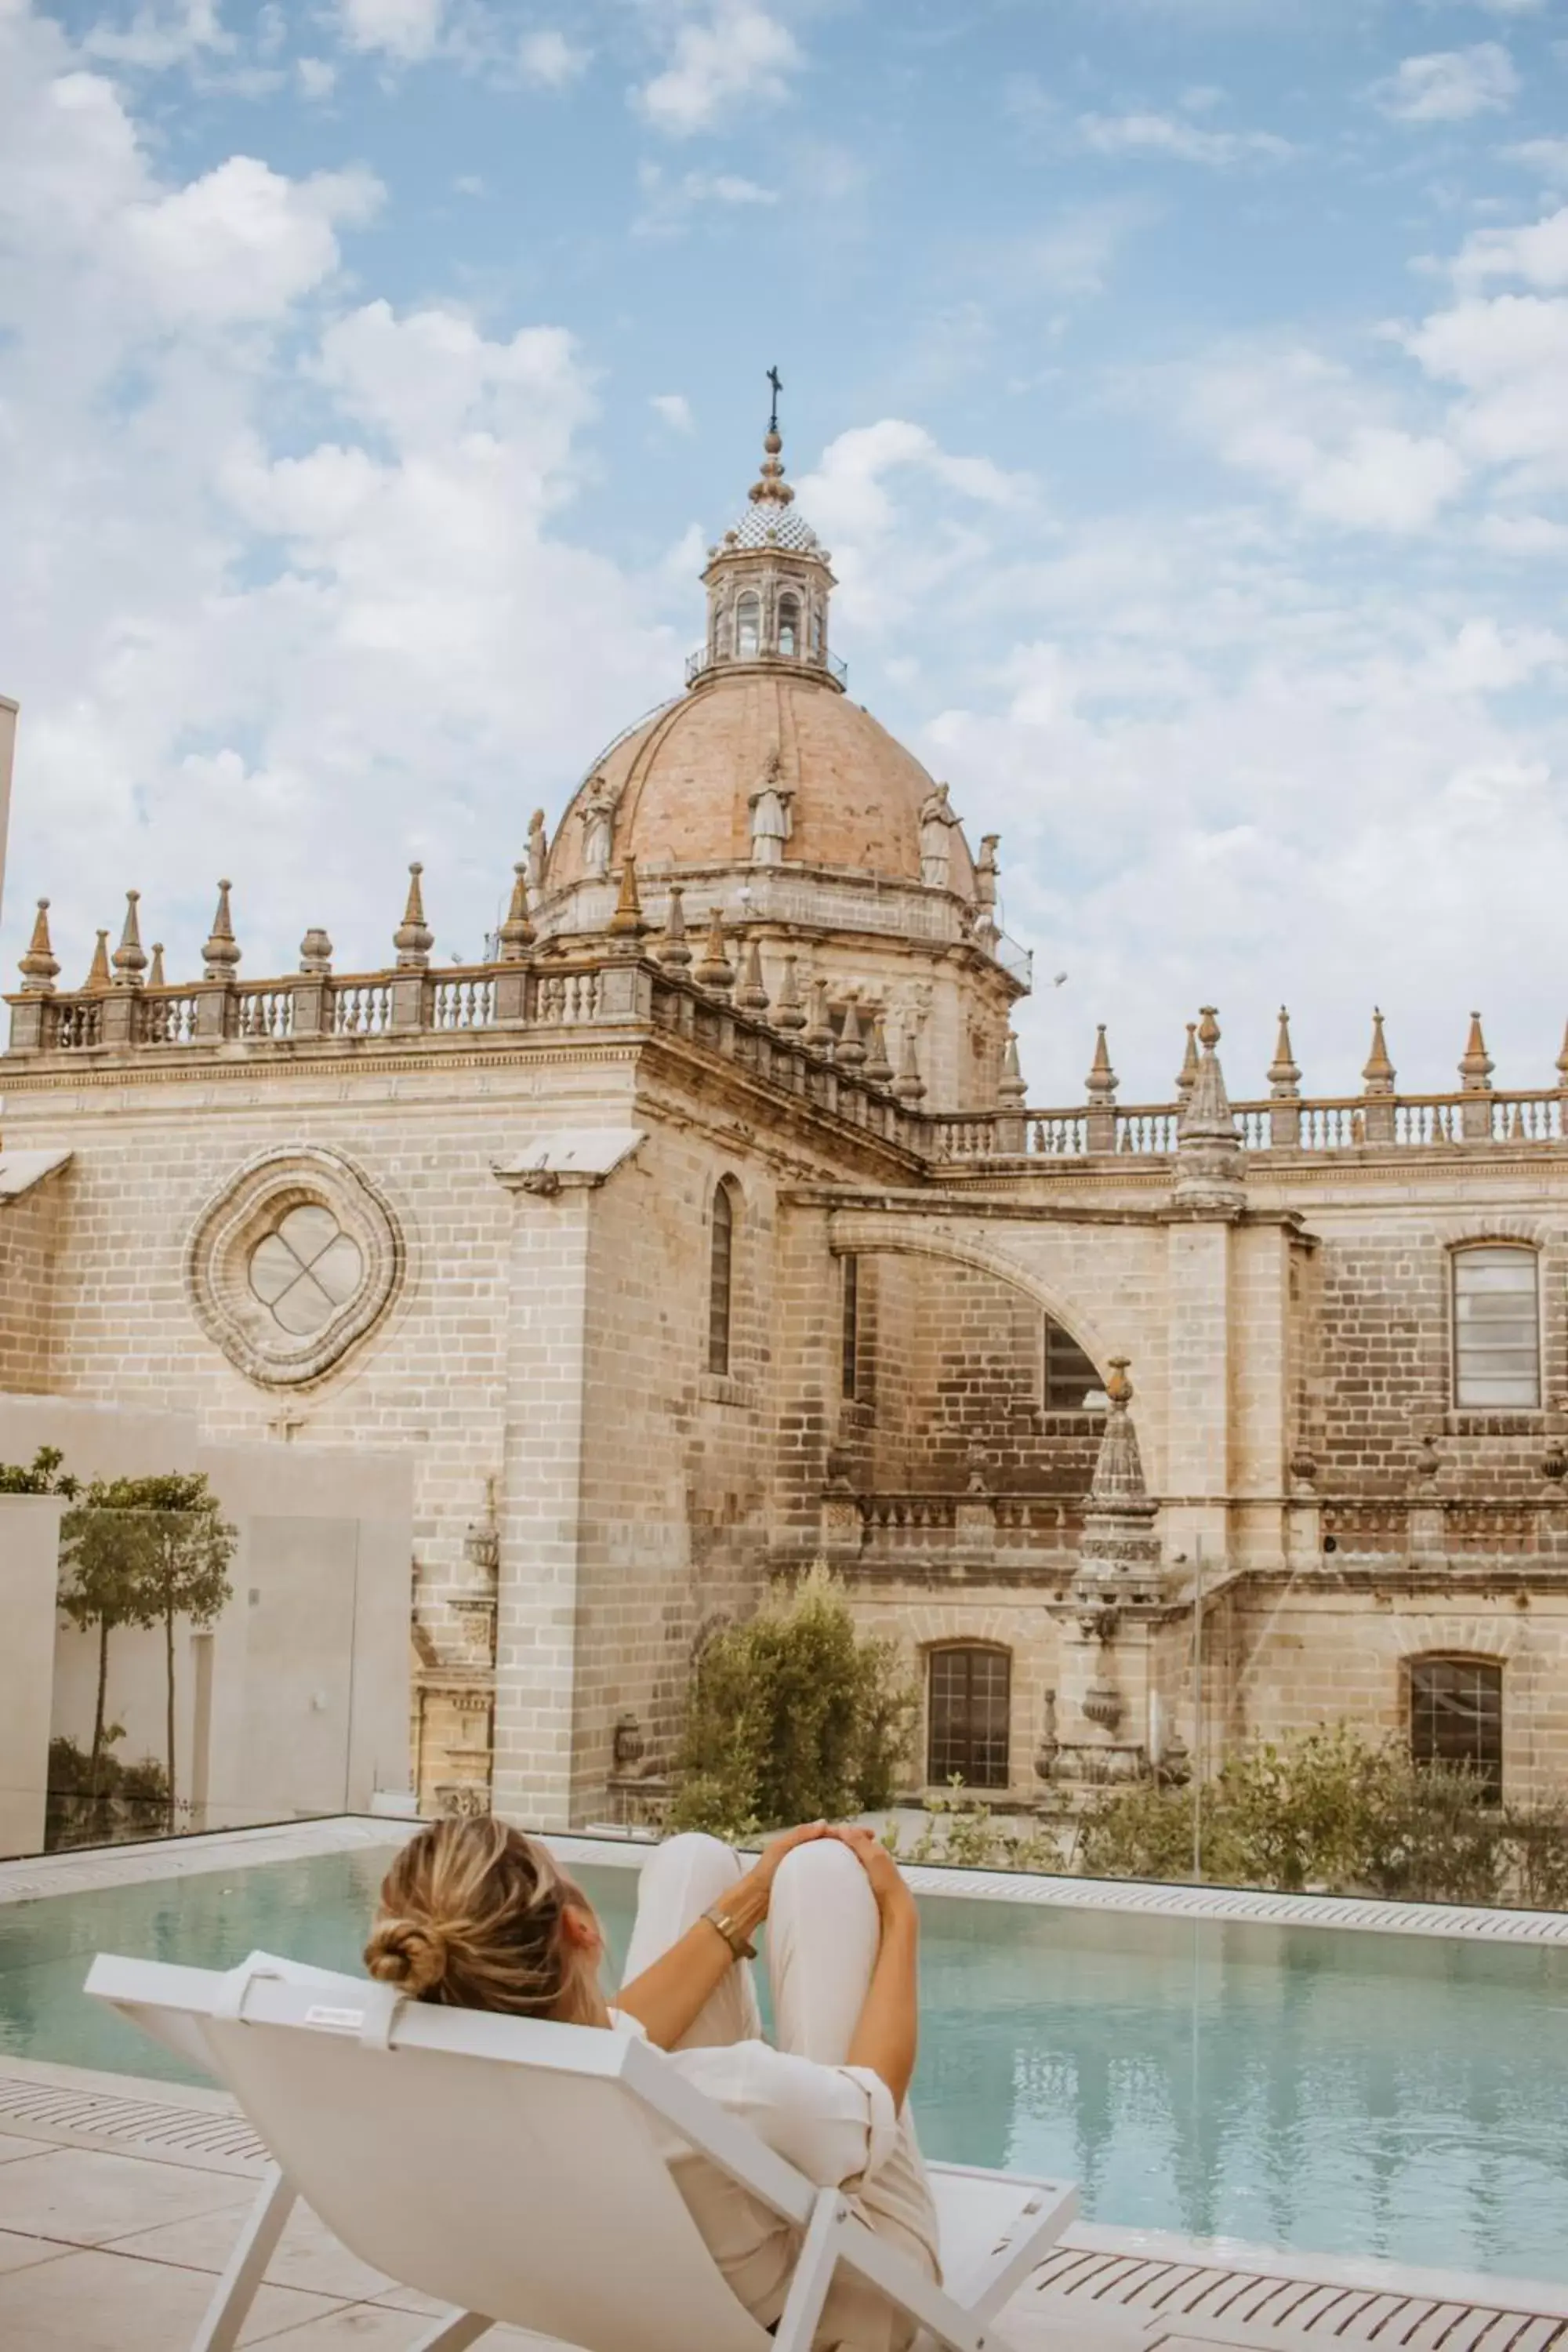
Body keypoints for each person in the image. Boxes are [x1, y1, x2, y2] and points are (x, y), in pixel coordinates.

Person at [365, 1817, 939, 2351]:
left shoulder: (446, 2074)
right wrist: (898, 1919)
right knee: (825, 1874)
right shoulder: (727, 2094)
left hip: (641, 2298)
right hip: (842, 2303)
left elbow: (616, 2034)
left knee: (692, 1859)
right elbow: (872, 2102)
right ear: (579, 1928)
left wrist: (750, 1895)